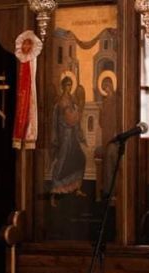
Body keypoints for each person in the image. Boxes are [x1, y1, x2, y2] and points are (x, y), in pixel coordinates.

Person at [50, 75, 87, 207]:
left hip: (72, 135)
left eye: (70, 85)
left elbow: (75, 118)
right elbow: (60, 120)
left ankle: (77, 187)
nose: (69, 88)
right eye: (67, 85)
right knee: (61, 163)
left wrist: (80, 134)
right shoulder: (60, 101)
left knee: (80, 158)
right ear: (63, 86)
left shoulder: (72, 99)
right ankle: (54, 193)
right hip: (64, 136)